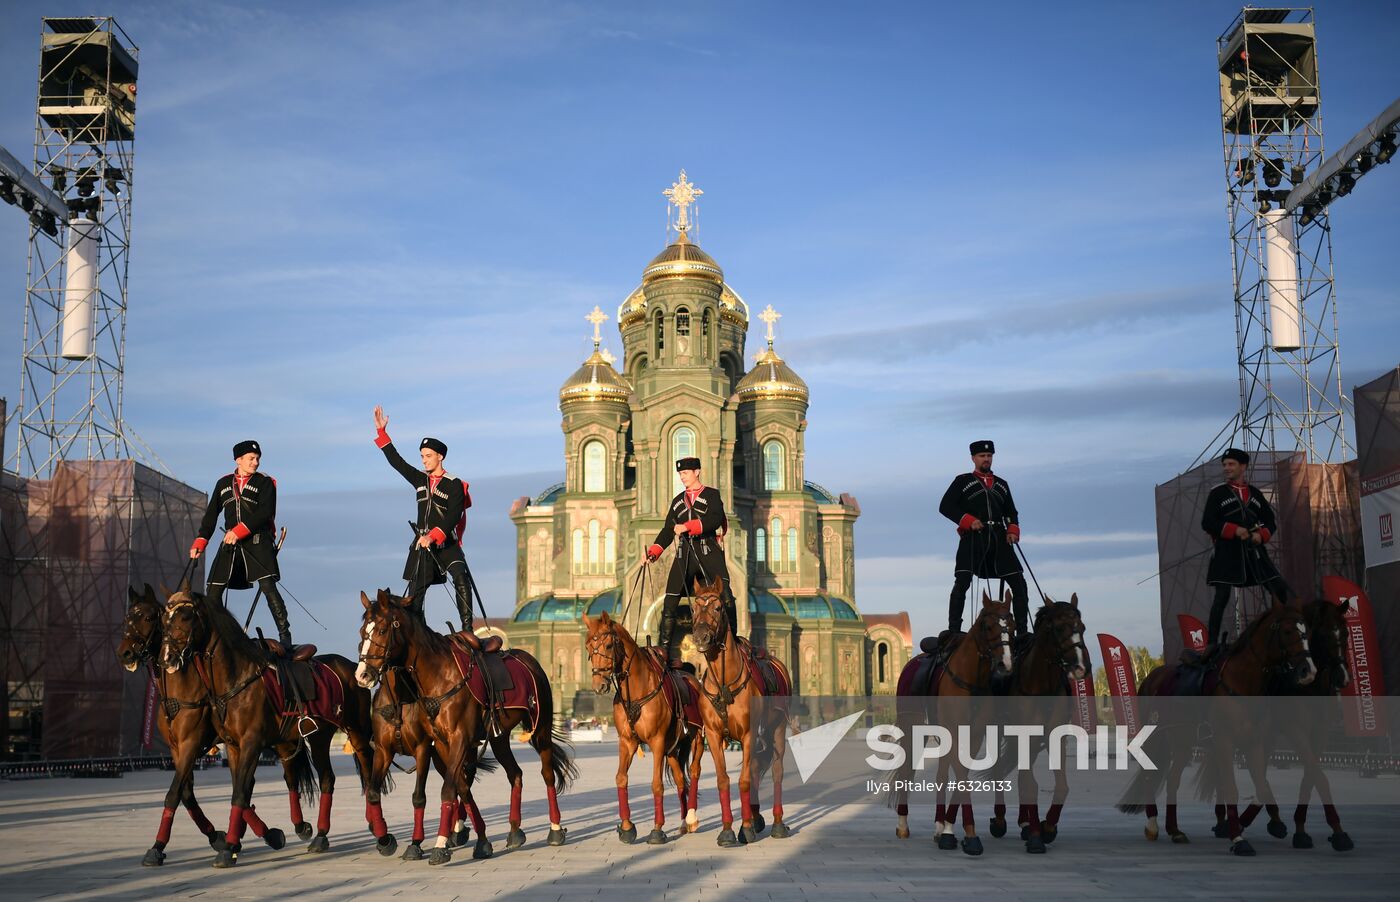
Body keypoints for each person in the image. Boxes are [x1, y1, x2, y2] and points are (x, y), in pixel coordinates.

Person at [372, 405, 474, 631]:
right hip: (423, 546)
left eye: (428, 456)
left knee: (460, 577)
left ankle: (468, 630)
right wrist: (382, 433)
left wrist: (434, 535)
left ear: (440, 457)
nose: (424, 460)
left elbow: (453, 516)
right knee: (415, 591)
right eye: (422, 456)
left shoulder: (455, 484)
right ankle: (417, 632)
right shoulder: (420, 480)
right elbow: (397, 462)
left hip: (446, 543)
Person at [189, 440, 292, 646]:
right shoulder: (223, 483)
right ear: (239, 460)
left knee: (267, 586)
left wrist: (239, 530)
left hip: (258, 541)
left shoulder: (266, 482)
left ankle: (285, 635)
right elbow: (211, 516)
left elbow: (265, 513)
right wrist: (201, 541)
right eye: (251, 459)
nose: (256, 462)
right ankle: (216, 635)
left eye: (258, 459)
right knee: (213, 590)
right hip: (230, 543)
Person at [646, 456, 737, 665]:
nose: (682, 477)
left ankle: (735, 642)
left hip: (707, 551)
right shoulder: (678, 501)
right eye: (680, 474)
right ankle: (664, 651)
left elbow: (714, 519)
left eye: (685, 473)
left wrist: (688, 526)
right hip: (684, 554)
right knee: (670, 600)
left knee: (726, 596)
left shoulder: (712, 495)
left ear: (697, 472)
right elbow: (668, 530)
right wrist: (653, 552)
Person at [939, 440, 1030, 646]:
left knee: (1019, 582)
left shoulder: (1002, 484)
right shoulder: (962, 481)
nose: (986, 459)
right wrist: (968, 521)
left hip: (999, 538)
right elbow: (945, 506)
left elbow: (1011, 513)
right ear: (973, 458)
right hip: (973, 538)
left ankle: (1022, 631)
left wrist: (1013, 530)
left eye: (989, 456)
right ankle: (954, 629)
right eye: (982, 456)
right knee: (962, 582)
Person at [1201, 448, 1289, 650]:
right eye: (1224, 465)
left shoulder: (1256, 495)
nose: (1227, 468)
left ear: (1243, 466)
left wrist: (1261, 535)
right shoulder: (1218, 493)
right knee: (1221, 597)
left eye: (1231, 464)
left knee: (1279, 588)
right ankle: (1211, 644)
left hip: (1254, 553)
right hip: (1227, 553)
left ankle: (1281, 632)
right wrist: (1234, 530)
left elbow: (1270, 522)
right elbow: (1208, 522)